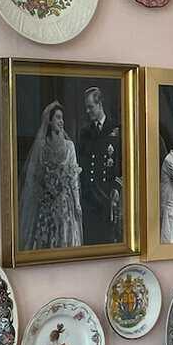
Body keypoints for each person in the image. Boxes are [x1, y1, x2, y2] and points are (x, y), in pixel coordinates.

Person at [19, 103, 82, 250]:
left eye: (62, 118)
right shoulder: (41, 146)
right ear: (50, 120)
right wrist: (45, 191)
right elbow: (35, 176)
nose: (61, 121)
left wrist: (77, 203)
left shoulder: (69, 146)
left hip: (65, 205)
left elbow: (73, 179)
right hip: (46, 204)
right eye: (58, 118)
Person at [77, 85, 122, 244]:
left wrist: (117, 188)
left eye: (90, 107)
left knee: (107, 240)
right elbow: (80, 163)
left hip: (107, 195)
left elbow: (122, 164)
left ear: (100, 104)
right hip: (89, 197)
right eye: (86, 108)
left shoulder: (116, 129)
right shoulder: (85, 132)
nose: (88, 111)